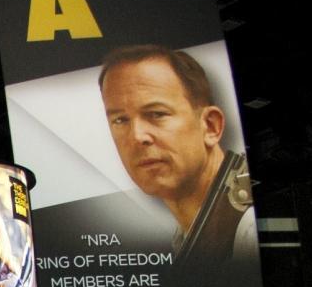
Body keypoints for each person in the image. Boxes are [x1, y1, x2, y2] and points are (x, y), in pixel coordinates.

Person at [95, 44, 252, 265]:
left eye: (157, 114)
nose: (137, 136)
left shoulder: (249, 226)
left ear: (211, 126)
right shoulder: (189, 236)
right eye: (120, 120)